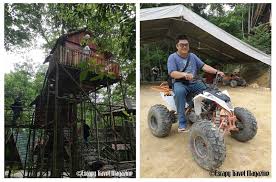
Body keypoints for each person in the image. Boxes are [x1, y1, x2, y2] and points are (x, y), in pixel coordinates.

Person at [167, 35, 224, 132]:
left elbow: (204, 66)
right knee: (179, 93)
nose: (184, 47)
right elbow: (172, 73)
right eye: (182, 45)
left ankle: (212, 114)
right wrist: (184, 74)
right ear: (177, 46)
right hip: (180, 83)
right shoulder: (172, 57)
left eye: (186, 45)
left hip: (194, 83)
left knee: (210, 92)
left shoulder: (192, 56)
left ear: (189, 46)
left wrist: (216, 71)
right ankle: (182, 123)